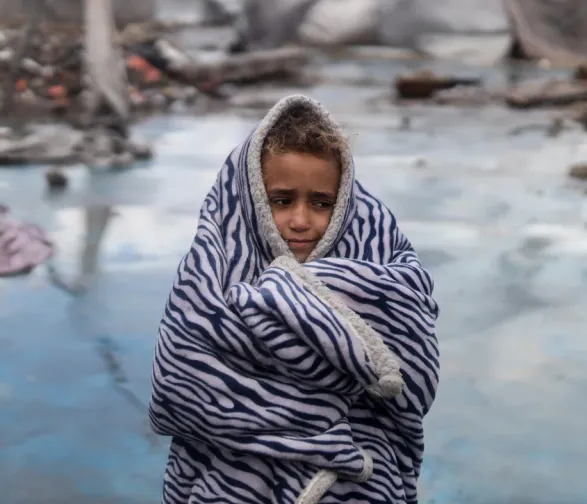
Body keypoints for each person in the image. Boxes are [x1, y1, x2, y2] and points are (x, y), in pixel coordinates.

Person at [149, 94, 440, 504]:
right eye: (282, 200)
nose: (301, 221)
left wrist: (305, 291)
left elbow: (415, 381)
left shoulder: (381, 272)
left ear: (343, 205)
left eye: (322, 203)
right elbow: (178, 389)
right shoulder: (208, 281)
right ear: (250, 197)